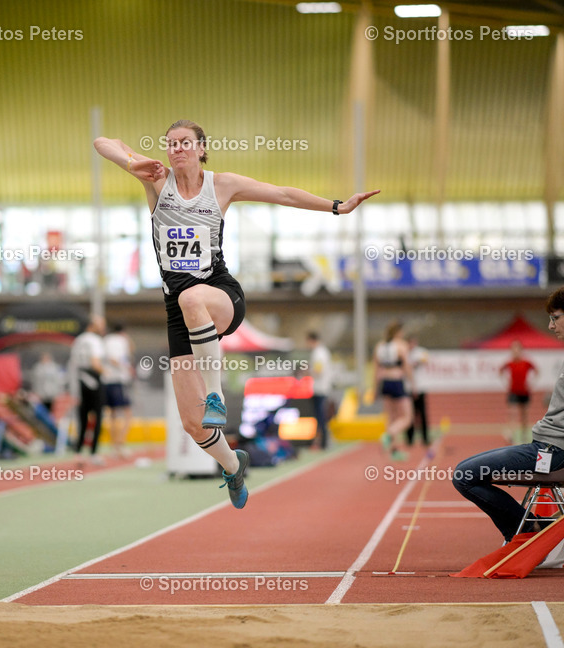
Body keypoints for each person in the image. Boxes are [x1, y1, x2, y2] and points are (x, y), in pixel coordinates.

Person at [94, 120, 378, 508]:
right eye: (170, 144)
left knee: (193, 298)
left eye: (185, 143)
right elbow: (103, 141)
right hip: (178, 312)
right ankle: (232, 464)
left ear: (201, 149)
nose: (176, 149)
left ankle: (216, 395)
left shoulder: (221, 185)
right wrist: (132, 160)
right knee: (193, 425)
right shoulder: (156, 179)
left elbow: (282, 194)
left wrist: (336, 206)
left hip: (221, 295)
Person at [454, 284, 564, 542]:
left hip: (553, 454)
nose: (551, 326)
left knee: (464, 475)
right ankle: (529, 531)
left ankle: (527, 533)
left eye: (555, 318)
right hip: (548, 449)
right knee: (466, 472)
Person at [374, 321, 413, 461]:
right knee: (407, 418)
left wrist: (374, 389)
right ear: (398, 332)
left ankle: (394, 451)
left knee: (392, 418)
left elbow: (376, 370)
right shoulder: (401, 345)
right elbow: (407, 366)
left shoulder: (380, 346)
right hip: (397, 382)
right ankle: (388, 435)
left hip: (385, 383)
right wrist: (413, 384)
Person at [70, 316, 106, 461]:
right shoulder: (95, 340)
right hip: (94, 381)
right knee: (97, 417)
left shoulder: (78, 340)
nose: (103, 328)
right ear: (93, 325)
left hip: (80, 380)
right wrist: (106, 372)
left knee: (82, 418)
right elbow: (95, 363)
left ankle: (78, 451)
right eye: (101, 325)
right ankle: (93, 452)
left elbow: (73, 363)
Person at [103, 323, 135, 459]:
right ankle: (119, 445)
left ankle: (115, 446)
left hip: (107, 380)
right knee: (126, 414)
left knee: (113, 415)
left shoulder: (105, 340)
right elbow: (115, 358)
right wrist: (125, 368)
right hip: (117, 381)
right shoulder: (119, 340)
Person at [500, 341, 537, 444]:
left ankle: (525, 435)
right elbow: (500, 371)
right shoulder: (509, 363)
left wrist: (531, 383)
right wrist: (505, 382)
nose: (515, 352)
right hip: (513, 391)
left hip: (524, 392)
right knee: (512, 413)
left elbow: (536, 371)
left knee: (524, 415)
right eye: (513, 349)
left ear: (521, 351)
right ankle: (511, 434)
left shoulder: (526, 363)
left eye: (517, 349)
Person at [307, 331, 332, 451]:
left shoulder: (319, 353)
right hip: (321, 387)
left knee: (320, 416)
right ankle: (323, 441)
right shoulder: (322, 352)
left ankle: (323, 442)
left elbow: (318, 370)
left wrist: (308, 372)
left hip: (320, 388)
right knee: (320, 416)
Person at [405, 335, 430, 447]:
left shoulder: (421, 352)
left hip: (420, 387)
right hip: (408, 388)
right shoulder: (404, 353)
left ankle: (425, 438)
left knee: (423, 414)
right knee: (409, 415)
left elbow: (424, 359)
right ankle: (409, 439)